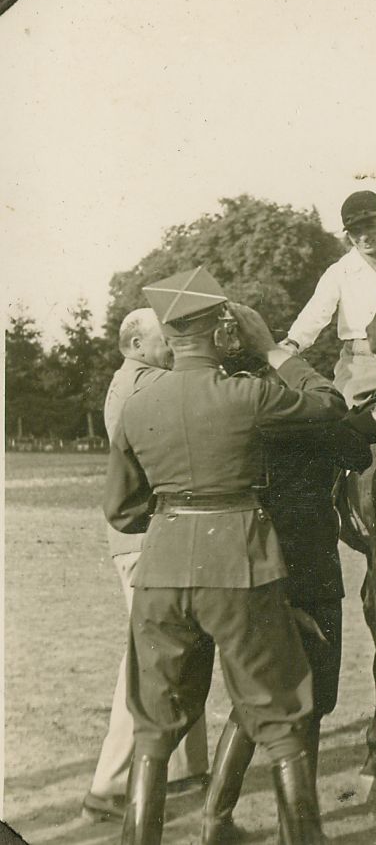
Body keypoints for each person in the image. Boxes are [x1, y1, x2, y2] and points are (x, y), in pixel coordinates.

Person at [105, 267, 348, 845]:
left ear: (169, 333)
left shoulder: (137, 405)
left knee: (153, 729)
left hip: (161, 571)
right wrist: (272, 349)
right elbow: (330, 404)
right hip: (241, 565)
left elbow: (121, 511)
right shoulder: (248, 395)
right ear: (220, 331)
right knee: (282, 718)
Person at [200, 380, 376, 843]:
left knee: (254, 697)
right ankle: (298, 830)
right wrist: (369, 420)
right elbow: (341, 437)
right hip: (310, 580)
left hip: (254, 575)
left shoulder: (250, 427)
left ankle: (216, 819)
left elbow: (333, 433)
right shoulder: (310, 430)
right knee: (310, 703)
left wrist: (371, 418)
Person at [82, 308, 209, 823]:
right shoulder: (144, 384)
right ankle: (109, 786)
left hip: (151, 536)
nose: (173, 346)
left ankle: (185, 769)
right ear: (136, 344)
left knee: (179, 648)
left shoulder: (135, 381)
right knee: (149, 658)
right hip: (146, 539)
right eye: (164, 339)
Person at [282, 190, 376, 408]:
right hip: (362, 362)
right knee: (343, 415)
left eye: (370, 226)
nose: (364, 237)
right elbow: (316, 312)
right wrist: (293, 342)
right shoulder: (340, 271)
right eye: (356, 231)